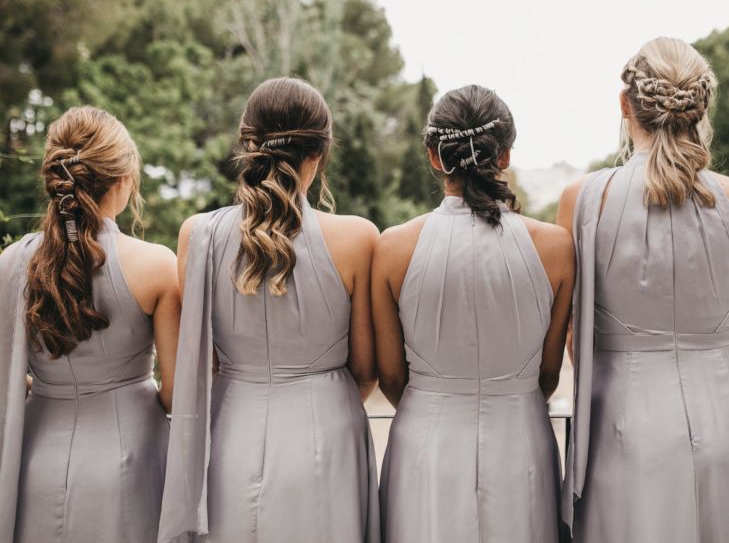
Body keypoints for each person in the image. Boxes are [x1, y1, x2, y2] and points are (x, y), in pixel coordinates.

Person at [158, 77, 380, 542]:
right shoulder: (358, 238)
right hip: (328, 435)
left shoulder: (196, 235)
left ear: (247, 146)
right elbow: (365, 370)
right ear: (317, 155)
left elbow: (204, 361)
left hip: (229, 433)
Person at [373, 84, 572, 542]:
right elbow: (548, 375)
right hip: (520, 443)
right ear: (504, 156)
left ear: (433, 157)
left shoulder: (393, 248)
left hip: (426, 445)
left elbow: (390, 378)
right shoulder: (556, 248)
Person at [559, 37, 728, 541]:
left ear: (624, 105)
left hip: (623, 433)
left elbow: (574, 333)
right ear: (700, 108)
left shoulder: (586, 197)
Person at [0, 106, 180, 542]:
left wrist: (48, 390)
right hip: (131, 458)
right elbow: (176, 391)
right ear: (121, 182)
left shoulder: (10, 263)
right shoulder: (156, 266)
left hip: (35, 460)